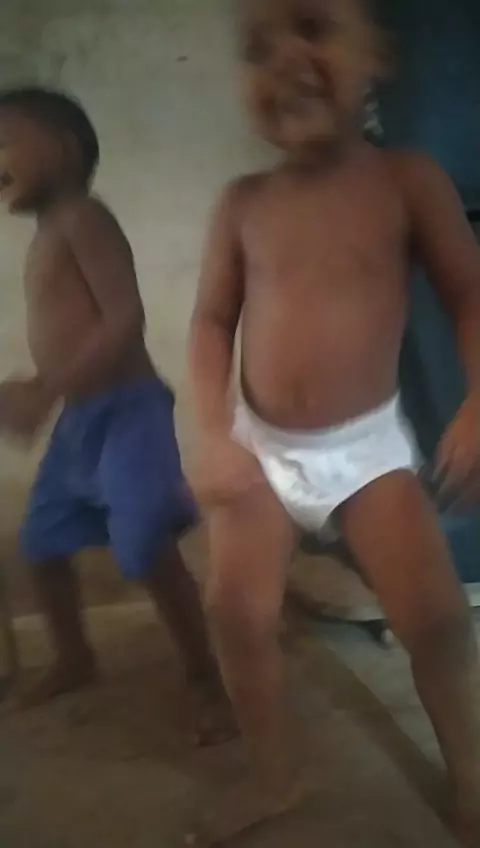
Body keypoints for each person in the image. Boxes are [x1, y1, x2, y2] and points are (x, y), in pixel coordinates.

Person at [189, 0, 480, 843]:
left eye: (313, 27)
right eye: (257, 48)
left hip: (367, 453)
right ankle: (274, 777)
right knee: (236, 617)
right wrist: (210, 430)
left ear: (377, 55)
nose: (285, 59)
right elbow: (211, 321)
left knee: (436, 622)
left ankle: (470, 773)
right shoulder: (242, 202)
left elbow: (468, 292)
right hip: (262, 450)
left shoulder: (406, 182)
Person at [0, 86, 232, 745]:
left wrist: (46, 389)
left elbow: (124, 317)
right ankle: (75, 657)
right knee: (42, 544)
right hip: (79, 420)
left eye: (5, 140)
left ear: (64, 149)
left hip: (128, 413)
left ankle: (208, 678)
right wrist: (42, 387)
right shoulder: (48, 231)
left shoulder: (83, 218)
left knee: (148, 545)